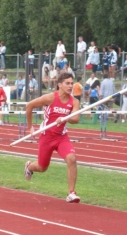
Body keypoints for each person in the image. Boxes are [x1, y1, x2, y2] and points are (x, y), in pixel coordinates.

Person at [24, 72, 81, 203]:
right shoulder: (50, 98)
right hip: (46, 137)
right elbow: (29, 106)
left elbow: (76, 119)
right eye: (67, 83)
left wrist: (66, 118)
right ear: (59, 84)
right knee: (42, 167)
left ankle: (71, 193)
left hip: (61, 137)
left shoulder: (75, 101)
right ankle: (29, 167)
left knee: (72, 158)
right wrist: (30, 127)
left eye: (72, 83)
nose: (70, 86)